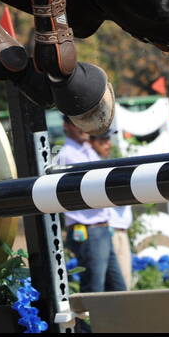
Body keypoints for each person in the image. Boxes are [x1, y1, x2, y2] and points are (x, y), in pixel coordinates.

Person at [56, 116, 126, 293]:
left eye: (83, 122)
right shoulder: (66, 155)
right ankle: (88, 321)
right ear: (66, 126)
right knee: (95, 288)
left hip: (99, 227)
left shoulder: (87, 150)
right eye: (76, 123)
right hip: (88, 229)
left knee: (116, 287)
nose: (82, 127)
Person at [88, 131, 131, 290]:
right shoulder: (93, 165)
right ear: (91, 142)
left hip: (120, 230)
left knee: (124, 283)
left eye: (107, 140)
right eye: (103, 140)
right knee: (115, 285)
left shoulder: (108, 163)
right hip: (109, 230)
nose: (108, 143)